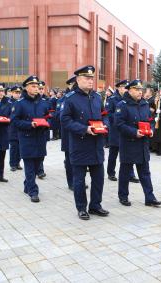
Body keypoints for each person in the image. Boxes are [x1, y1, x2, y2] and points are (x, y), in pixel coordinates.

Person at [61, 65, 110, 220]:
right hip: (80, 144)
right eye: (87, 78)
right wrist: (84, 129)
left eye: (91, 78)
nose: (90, 81)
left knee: (98, 178)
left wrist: (106, 124)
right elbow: (65, 120)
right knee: (79, 180)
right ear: (78, 79)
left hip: (96, 144)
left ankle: (95, 205)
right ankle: (81, 208)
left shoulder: (96, 97)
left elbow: (104, 114)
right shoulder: (70, 99)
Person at [115, 79, 161, 207]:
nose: (139, 92)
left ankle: (150, 197)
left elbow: (151, 120)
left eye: (140, 90)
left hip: (142, 143)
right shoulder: (122, 105)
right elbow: (119, 124)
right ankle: (123, 196)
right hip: (129, 143)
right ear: (129, 90)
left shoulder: (144, 104)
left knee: (145, 172)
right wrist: (134, 132)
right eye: (136, 89)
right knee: (125, 172)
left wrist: (152, 130)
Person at [11, 76, 50, 203]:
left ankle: (27, 184)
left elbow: (49, 116)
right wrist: (29, 125)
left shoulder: (44, 102)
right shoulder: (19, 103)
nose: (36, 88)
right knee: (29, 165)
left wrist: (47, 122)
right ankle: (33, 191)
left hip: (40, 138)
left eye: (37, 86)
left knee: (38, 163)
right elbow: (15, 121)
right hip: (27, 138)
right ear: (26, 88)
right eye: (33, 86)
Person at [105, 79, 139, 183]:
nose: (125, 89)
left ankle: (130, 174)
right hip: (115, 130)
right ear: (119, 88)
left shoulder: (129, 99)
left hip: (126, 130)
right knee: (113, 153)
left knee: (129, 153)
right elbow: (108, 114)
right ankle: (111, 172)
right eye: (124, 87)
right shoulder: (112, 99)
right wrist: (118, 119)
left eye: (126, 87)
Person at [8, 85, 23, 171]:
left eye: (19, 93)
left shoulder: (21, 102)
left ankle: (18, 162)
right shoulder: (8, 103)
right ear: (12, 93)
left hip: (21, 128)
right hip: (12, 128)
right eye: (16, 93)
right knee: (14, 147)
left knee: (20, 147)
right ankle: (13, 164)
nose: (18, 94)